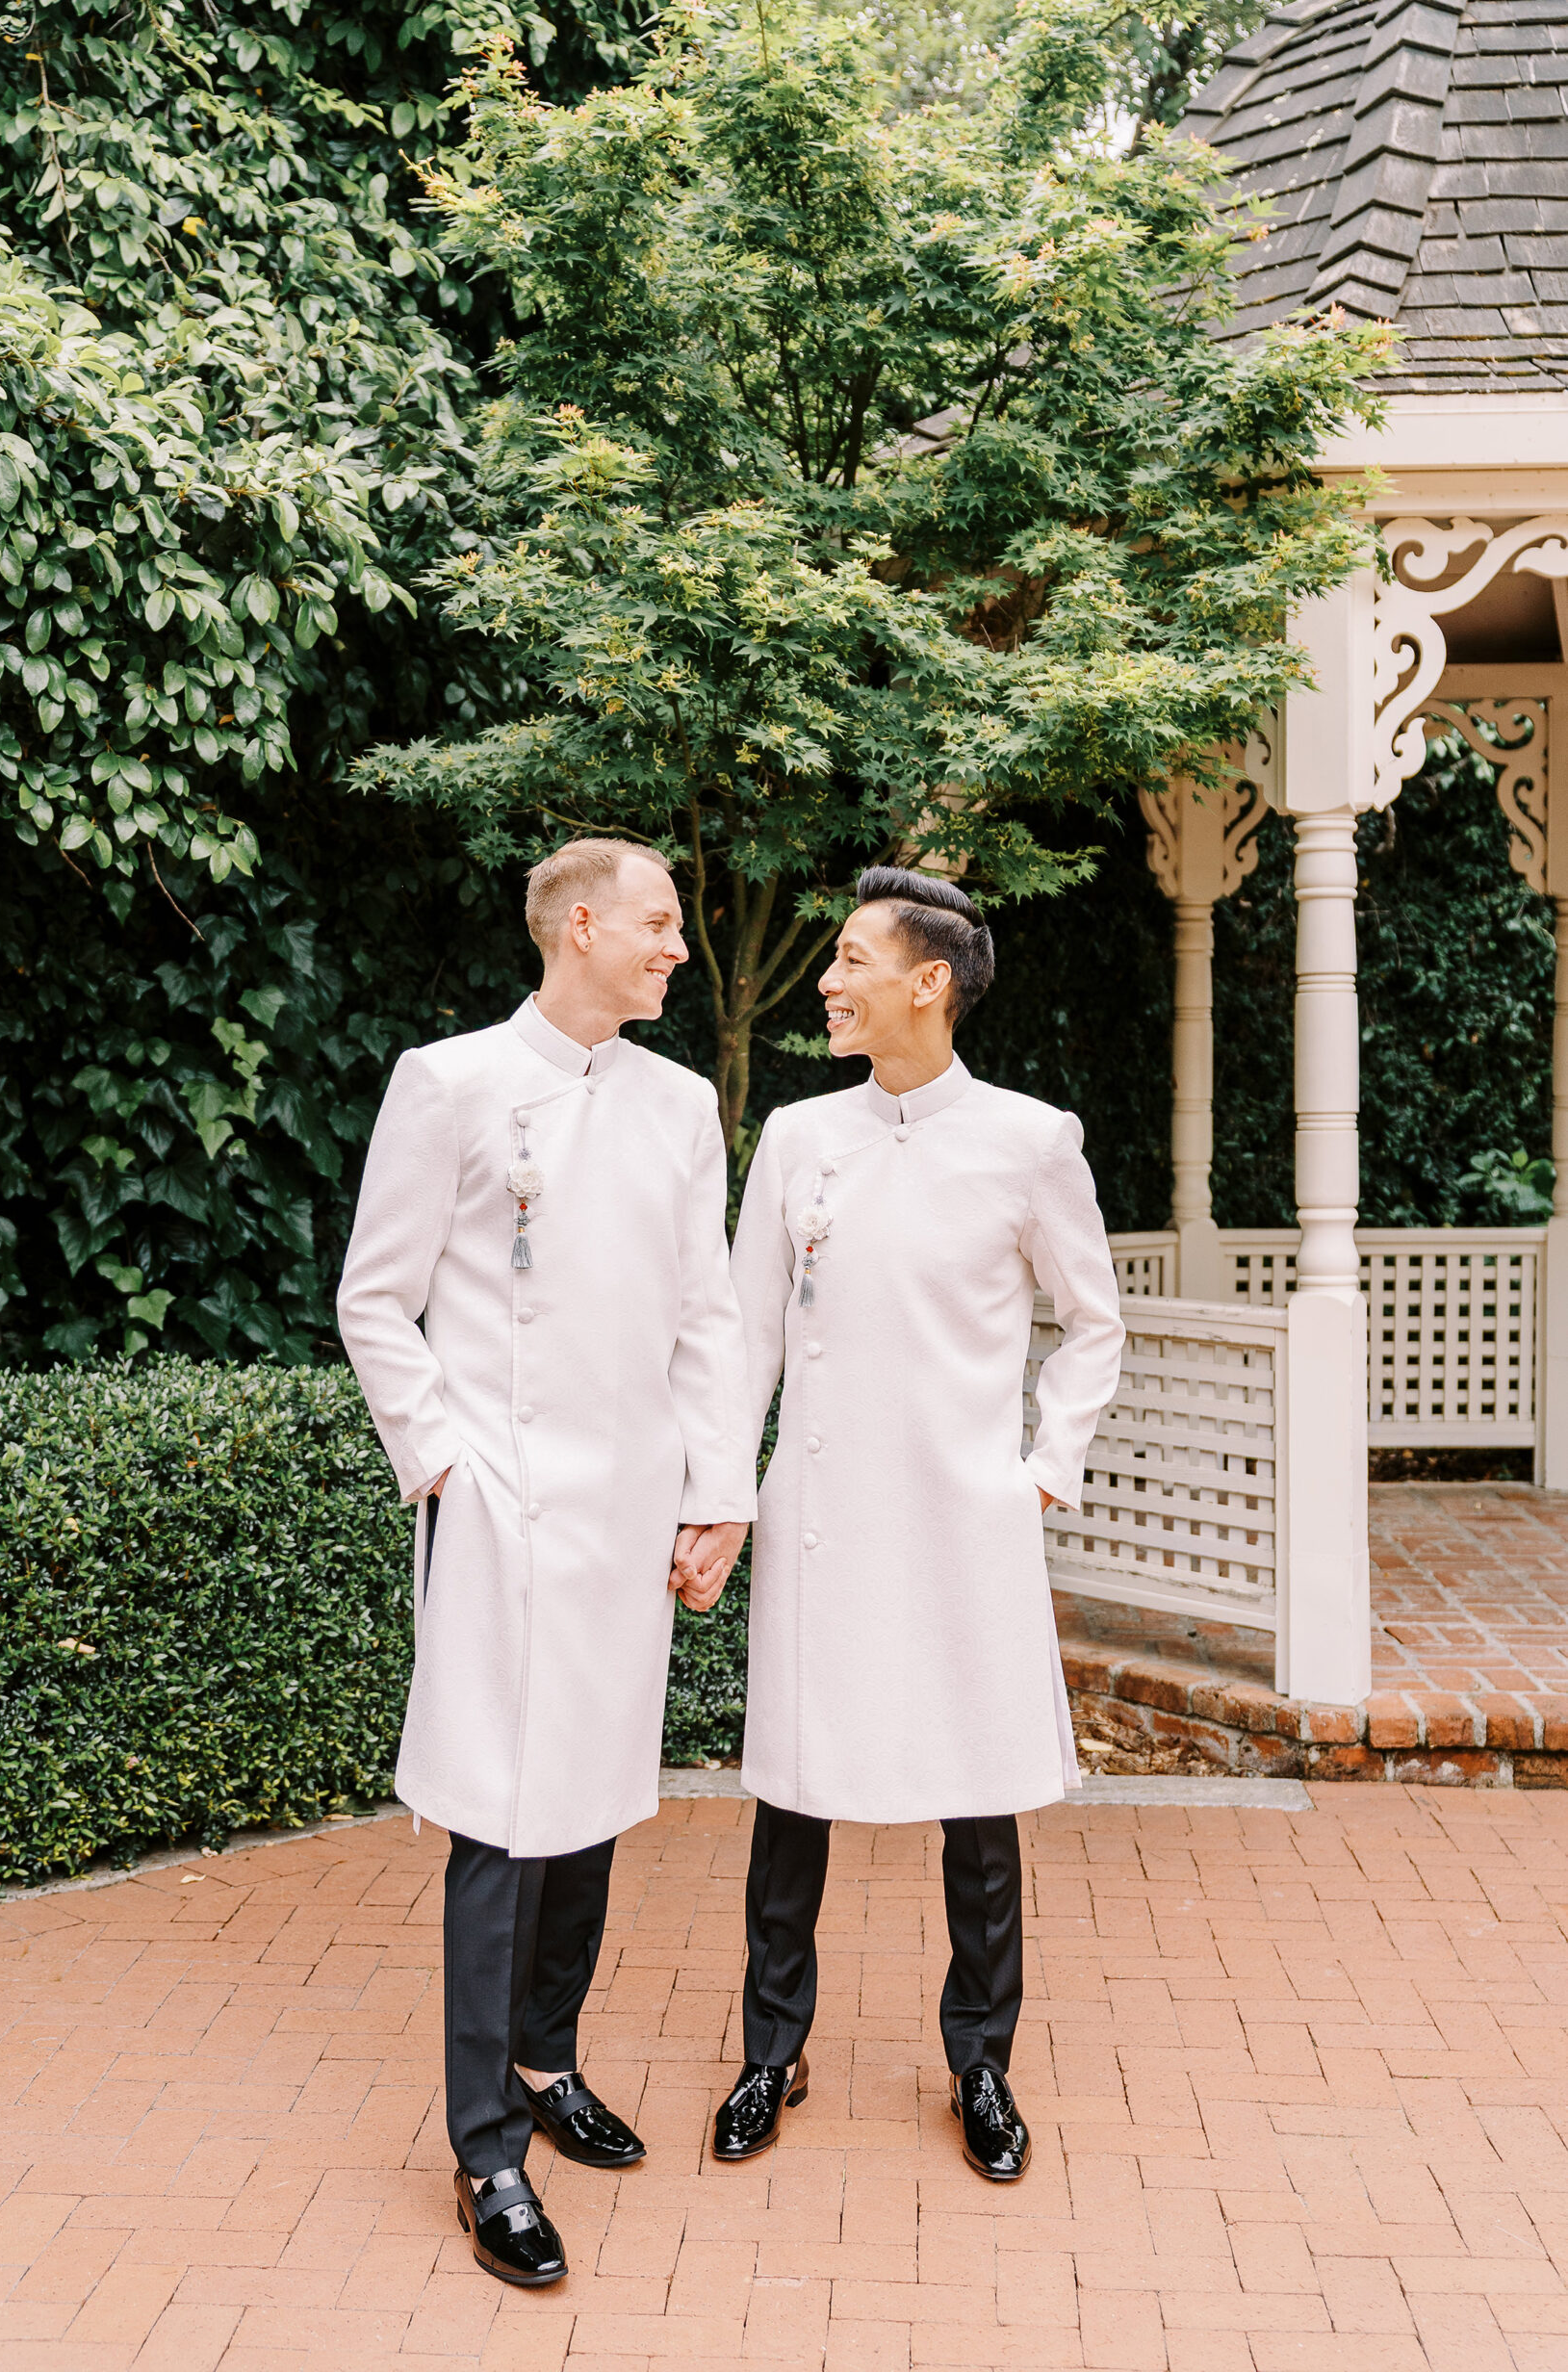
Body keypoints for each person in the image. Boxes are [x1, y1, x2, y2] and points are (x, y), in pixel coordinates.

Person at [338, 837, 755, 2286]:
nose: (676, 949)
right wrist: (447, 1466)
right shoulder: (448, 1084)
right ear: (579, 926)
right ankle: (484, 2150)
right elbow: (375, 1301)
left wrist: (717, 1495)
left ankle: (545, 2061)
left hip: (631, 1504)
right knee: (496, 1814)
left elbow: (707, 1315)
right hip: (503, 1498)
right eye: (658, 923)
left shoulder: (683, 1104)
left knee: (589, 1798)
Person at [716, 864, 1125, 2181]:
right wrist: (721, 1491)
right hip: (824, 1506)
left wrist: (1040, 1473)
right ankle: (768, 2050)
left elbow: (1091, 1326)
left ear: (926, 982)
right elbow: (744, 1343)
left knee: (978, 1791)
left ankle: (980, 2063)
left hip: (963, 1516)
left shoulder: (1028, 1139)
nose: (826, 983)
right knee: (791, 1785)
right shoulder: (795, 1139)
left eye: (847, 960)